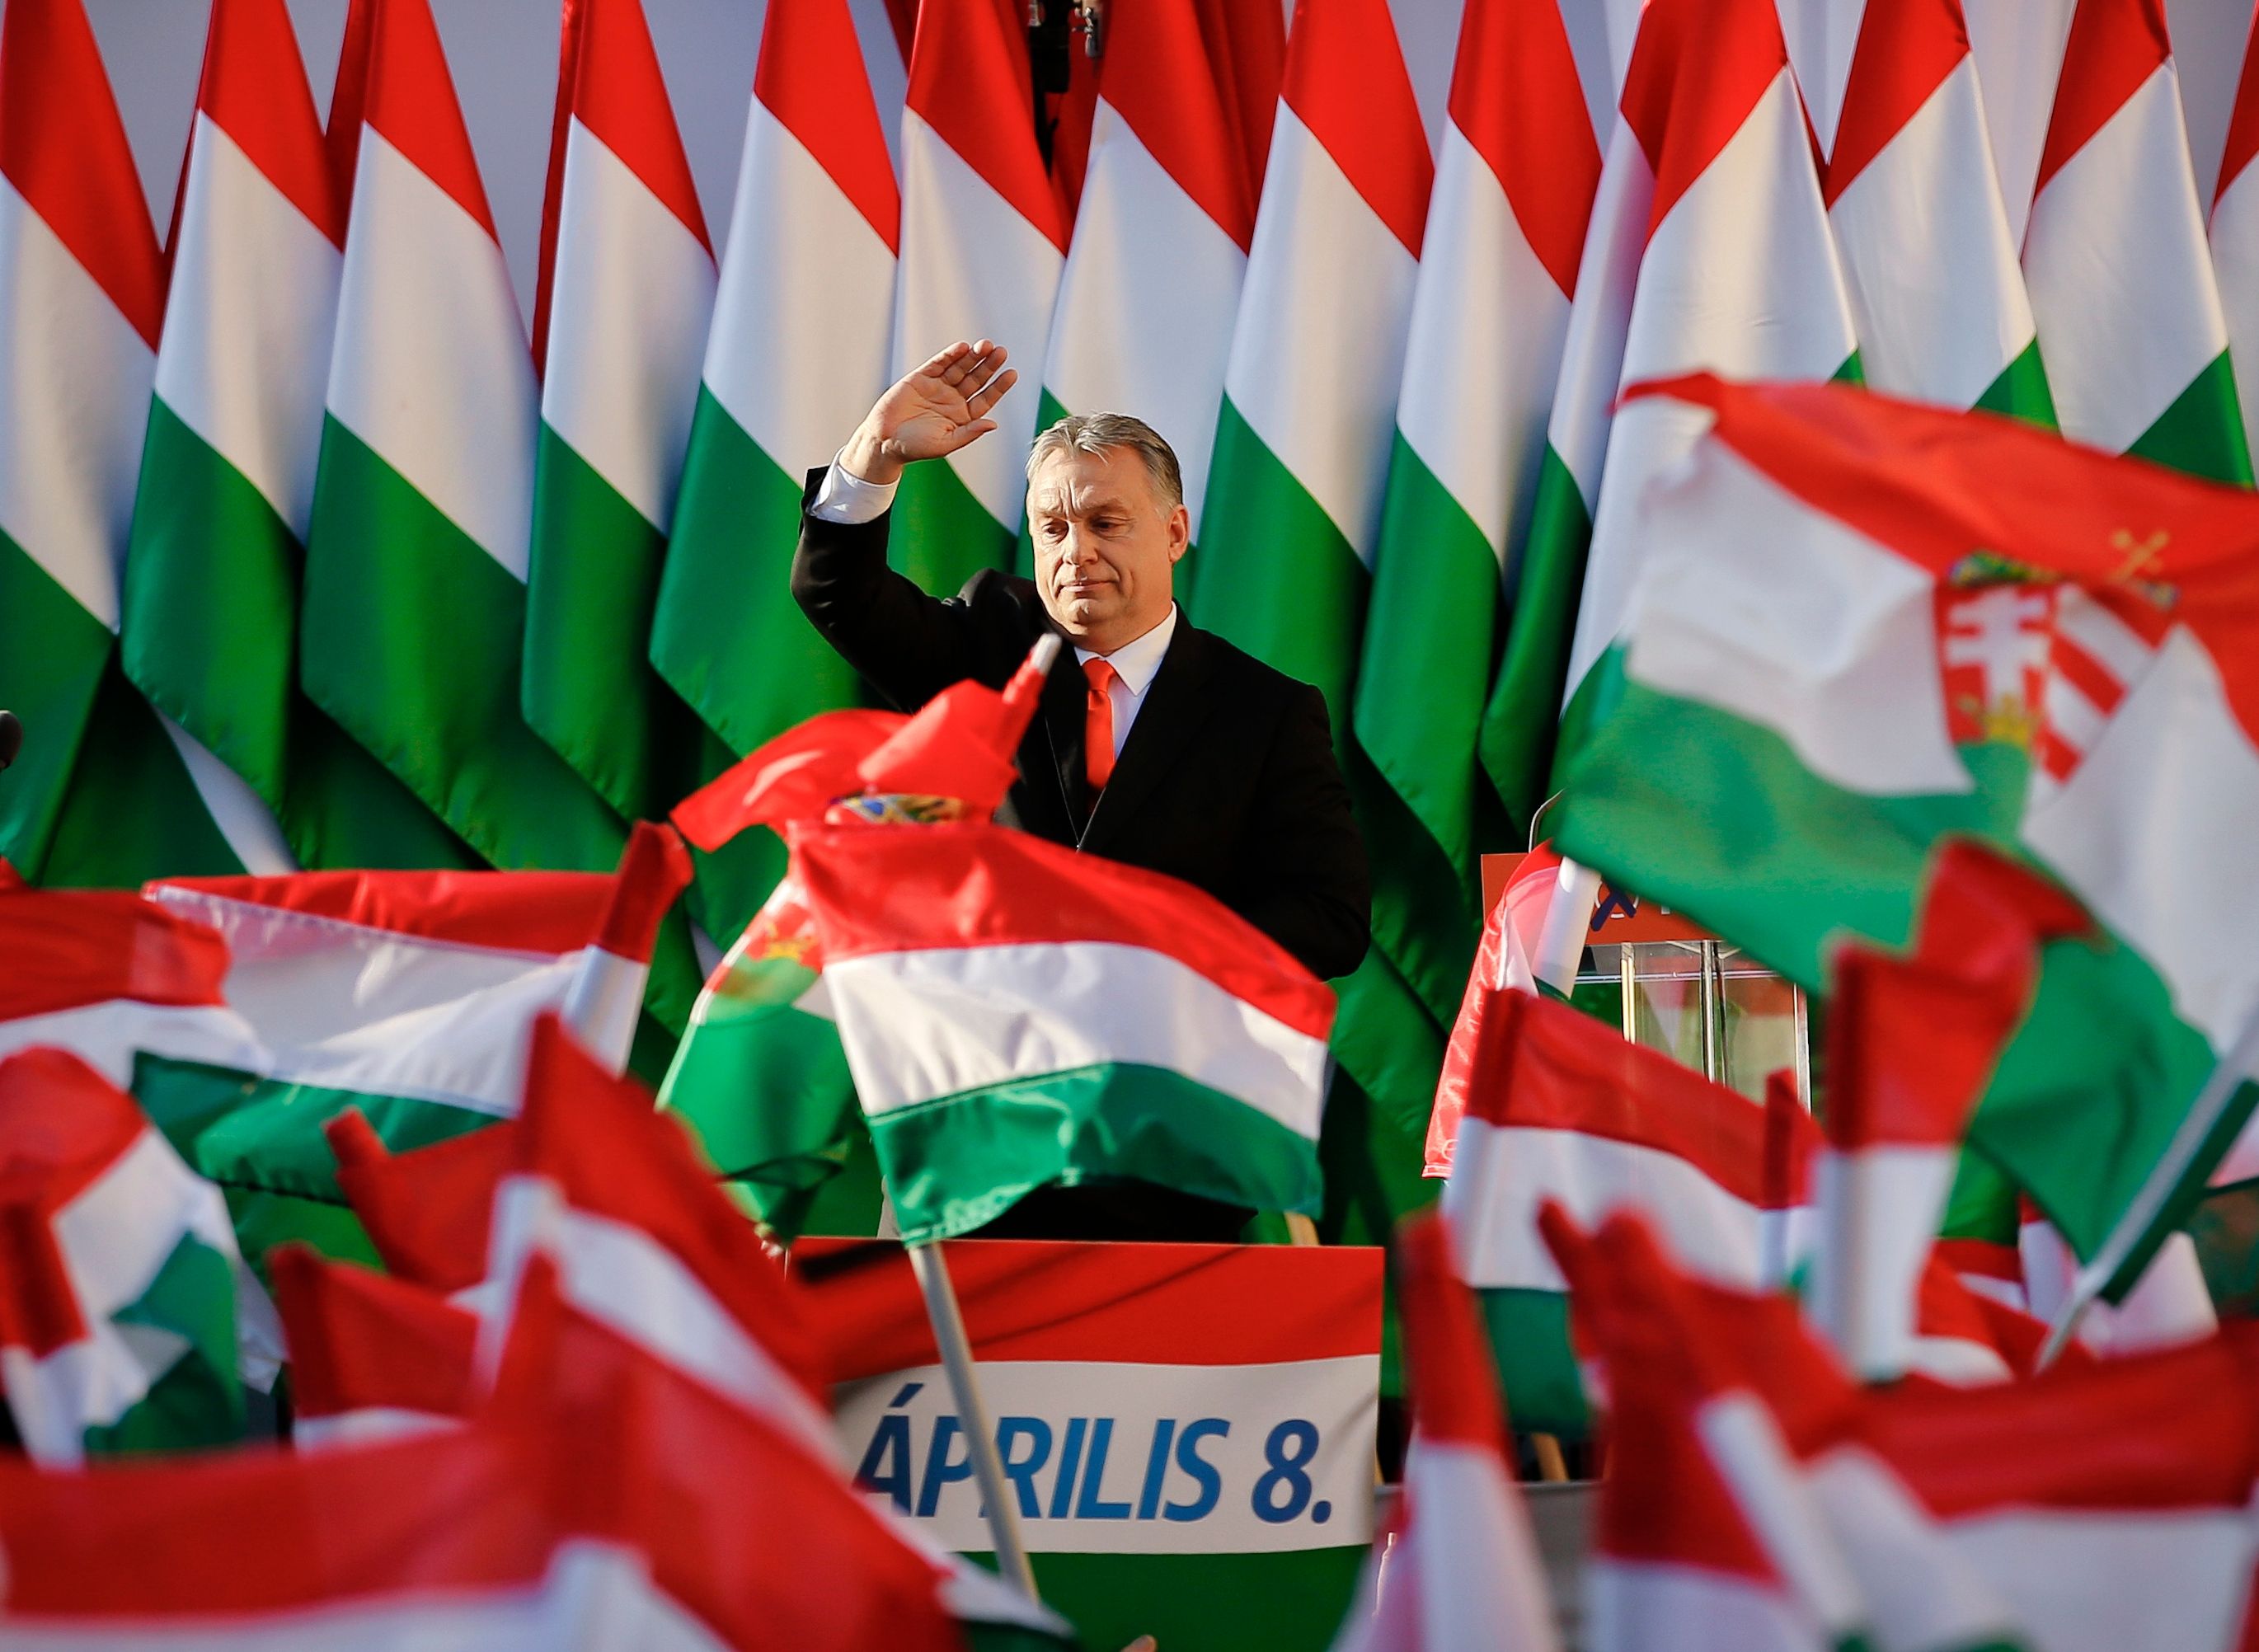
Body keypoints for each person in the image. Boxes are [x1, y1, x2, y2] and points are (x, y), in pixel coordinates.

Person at [791, 340, 1370, 1240]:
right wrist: (873, 456)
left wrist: (1142, 944)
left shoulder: (1264, 710)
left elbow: (1330, 918)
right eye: (1053, 528)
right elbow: (837, 592)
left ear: (1173, 533)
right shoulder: (988, 641)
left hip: (1167, 1149)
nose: (1077, 552)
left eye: (1106, 522)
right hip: (980, 1141)